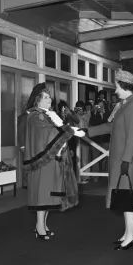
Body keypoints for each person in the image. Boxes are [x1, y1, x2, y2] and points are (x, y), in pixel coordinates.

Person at [84, 70, 133, 250]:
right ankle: (128, 233)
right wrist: (88, 131)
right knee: (125, 198)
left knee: (128, 198)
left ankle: (132, 236)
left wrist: (126, 161)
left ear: (125, 87)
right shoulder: (124, 105)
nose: (116, 90)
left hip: (127, 161)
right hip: (121, 159)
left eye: (117, 87)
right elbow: (111, 126)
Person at [23, 86, 85, 240]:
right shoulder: (35, 116)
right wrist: (70, 132)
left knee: (50, 195)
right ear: (37, 99)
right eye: (45, 97)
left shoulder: (48, 114)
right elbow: (48, 133)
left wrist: (69, 130)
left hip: (52, 159)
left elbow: (57, 130)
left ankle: (43, 225)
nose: (49, 100)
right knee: (43, 195)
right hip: (42, 161)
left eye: (49, 97)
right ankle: (39, 226)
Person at [17, 83, 46, 188]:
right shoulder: (25, 117)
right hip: (29, 147)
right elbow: (21, 133)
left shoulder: (45, 116)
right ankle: (28, 184)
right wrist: (23, 147)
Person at [74, 101, 91, 183]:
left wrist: (83, 115)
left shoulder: (87, 115)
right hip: (77, 139)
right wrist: (75, 114)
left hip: (86, 138)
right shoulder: (74, 116)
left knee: (85, 157)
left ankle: (86, 176)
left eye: (80, 108)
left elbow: (88, 123)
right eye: (77, 108)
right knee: (78, 158)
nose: (79, 109)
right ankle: (78, 177)